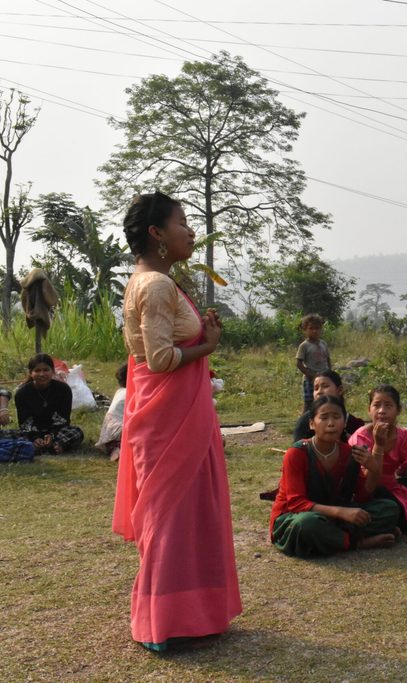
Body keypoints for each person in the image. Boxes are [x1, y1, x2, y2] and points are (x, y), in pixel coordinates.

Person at [112, 190, 241, 652]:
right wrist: (210, 346)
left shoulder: (151, 280)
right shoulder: (158, 284)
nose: (190, 231)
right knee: (171, 519)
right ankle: (166, 621)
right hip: (168, 417)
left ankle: (190, 615)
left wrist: (202, 333)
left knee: (185, 516)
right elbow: (163, 358)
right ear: (156, 233)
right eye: (181, 222)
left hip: (174, 412)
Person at [271, 396, 399, 556]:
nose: (331, 423)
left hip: (333, 515)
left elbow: (362, 496)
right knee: (307, 524)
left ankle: (335, 536)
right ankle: (357, 542)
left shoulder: (348, 452)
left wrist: (373, 469)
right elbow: (296, 503)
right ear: (312, 423)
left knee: (388, 509)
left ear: (344, 423)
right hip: (297, 516)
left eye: (336, 417)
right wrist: (341, 512)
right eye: (324, 418)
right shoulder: (297, 453)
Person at [349, 385, 407, 537]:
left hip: (393, 489)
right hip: (366, 492)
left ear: (398, 410)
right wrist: (378, 445)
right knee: (391, 508)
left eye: (388, 405)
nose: (382, 411)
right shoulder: (361, 437)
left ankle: (392, 524)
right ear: (369, 409)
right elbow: (366, 483)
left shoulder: (405, 437)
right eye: (376, 405)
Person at [13, 354, 85, 454]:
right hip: (31, 432)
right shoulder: (22, 393)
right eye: (37, 371)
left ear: (53, 371)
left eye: (46, 370)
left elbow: (63, 419)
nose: (42, 374)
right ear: (30, 373)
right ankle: (40, 446)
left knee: (77, 432)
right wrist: (34, 438)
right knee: (7, 435)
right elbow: (25, 422)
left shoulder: (63, 390)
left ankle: (58, 445)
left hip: (57, 431)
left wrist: (52, 435)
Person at [292, 370, 364, 443]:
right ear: (312, 424)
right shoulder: (304, 422)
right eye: (316, 388)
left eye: (325, 386)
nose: (319, 392)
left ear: (340, 390)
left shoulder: (356, 425)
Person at [296, 313, 331, 414]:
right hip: (310, 379)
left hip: (324, 377)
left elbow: (328, 359)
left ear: (321, 329)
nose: (314, 331)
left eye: (317, 328)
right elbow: (299, 363)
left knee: (325, 401)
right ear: (305, 330)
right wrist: (311, 375)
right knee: (309, 402)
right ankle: (303, 424)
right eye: (311, 328)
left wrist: (330, 373)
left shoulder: (323, 344)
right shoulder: (304, 346)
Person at [96, 363, 129, 461]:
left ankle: (115, 449)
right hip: (121, 429)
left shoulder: (119, 392)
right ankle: (120, 449)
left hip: (109, 431)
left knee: (113, 442)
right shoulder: (133, 392)